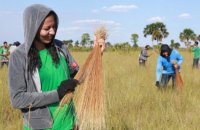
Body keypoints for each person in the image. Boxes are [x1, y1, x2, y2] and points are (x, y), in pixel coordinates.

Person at [8, 4, 105, 130]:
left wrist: (97, 53)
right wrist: (57, 94)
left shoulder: (60, 48)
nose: (52, 31)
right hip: (42, 126)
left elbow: (79, 77)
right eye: (47, 28)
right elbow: (17, 99)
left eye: (54, 26)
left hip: (70, 123)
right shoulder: (19, 56)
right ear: (33, 28)